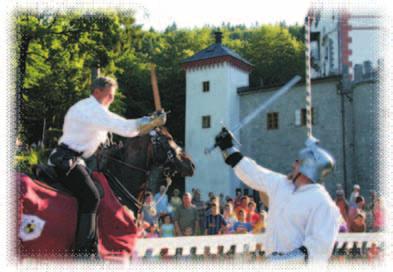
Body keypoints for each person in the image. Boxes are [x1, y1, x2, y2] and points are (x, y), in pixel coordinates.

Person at [47, 76, 166, 256]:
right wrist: (151, 121)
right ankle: (83, 253)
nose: (112, 98)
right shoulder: (92, 109)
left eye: (113, 95)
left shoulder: (90, 109)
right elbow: (124, 127)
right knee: (92, 196)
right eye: (109, 95)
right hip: (67, 160)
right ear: (97, 92)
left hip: (78, 159)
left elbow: (104, 137)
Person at [214, 128, 340, 262]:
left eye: (297, 162)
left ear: (307, 168)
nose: (293, 164)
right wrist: (228, 148)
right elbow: (254, 173)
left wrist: (282, 262)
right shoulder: (282, 184)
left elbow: (319, 247)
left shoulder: (323, 203)